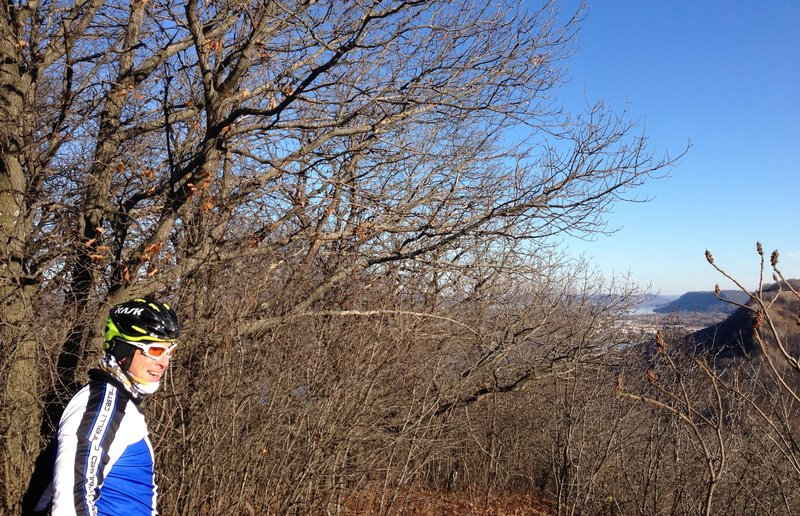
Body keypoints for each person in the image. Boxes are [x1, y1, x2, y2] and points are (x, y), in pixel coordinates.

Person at [29, 297, 180, 515]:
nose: (164, 362)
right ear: (122, 349)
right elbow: (70, 505)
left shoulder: (120, 404)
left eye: (170, 351)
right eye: (155, 351)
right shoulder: (102, 407)